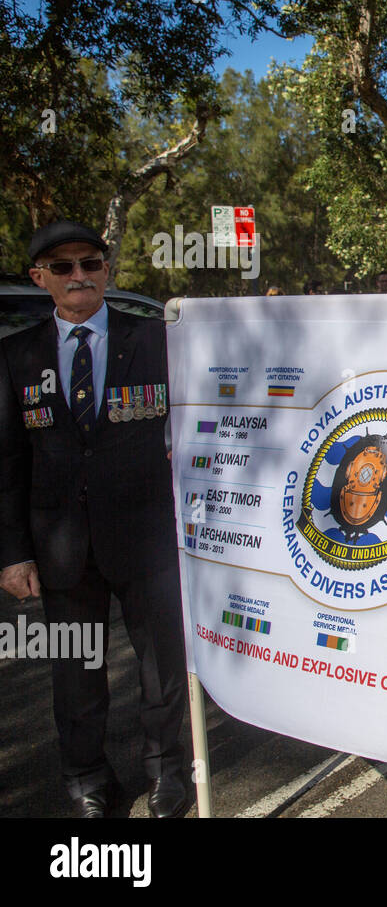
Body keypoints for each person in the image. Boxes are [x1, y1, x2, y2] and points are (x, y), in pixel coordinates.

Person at [0, 220, 189, 817]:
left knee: (161, 672)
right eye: (63, 268)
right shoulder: (16, 354)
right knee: (76, 678)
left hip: (146, 537)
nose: (79, 276)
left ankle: (169, 774)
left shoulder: (157, 339)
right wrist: (11, 552)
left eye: (90, 263)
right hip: (60, 550)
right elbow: (7, 459)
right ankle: (87, 780)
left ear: (106, 270)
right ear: (41, 279)